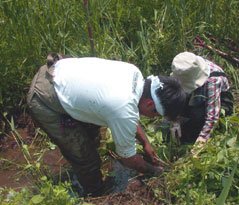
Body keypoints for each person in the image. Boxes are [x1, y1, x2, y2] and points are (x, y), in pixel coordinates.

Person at [26, 53, 186, 197]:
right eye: (156, 114)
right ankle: (96, 194)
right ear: (150, 104)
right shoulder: (123, 108)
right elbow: (128, 159)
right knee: (86, 160)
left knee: (92, 138)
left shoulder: (134, 73)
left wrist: (145, 143)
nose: (153, 117)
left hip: (58, 71)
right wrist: (156, 172)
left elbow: (127, 112)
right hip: (44, 98)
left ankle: (87, 173)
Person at [170, 51, 233, 147]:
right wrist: (175, 119)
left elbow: (212, 116)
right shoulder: (185, 67)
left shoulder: (213, 80)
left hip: (220, 100)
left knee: (197, 117)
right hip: (196, 95)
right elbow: (176, 95)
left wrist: (202, 138)